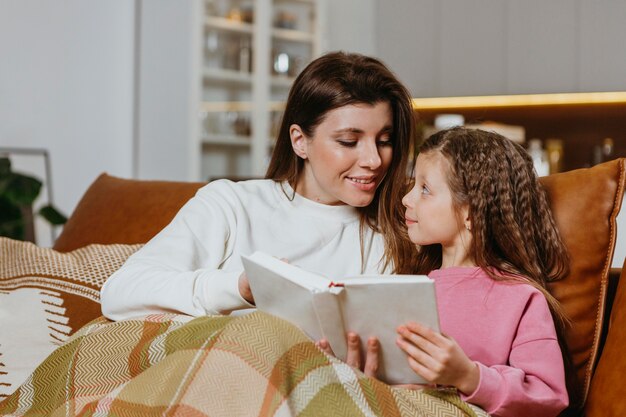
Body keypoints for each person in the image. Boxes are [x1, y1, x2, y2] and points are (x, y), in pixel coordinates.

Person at [100, 51, 417, 321]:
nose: (374, 160)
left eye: (385, 141)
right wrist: (240, 288)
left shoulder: (394, 234)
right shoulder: (231, 205)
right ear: (299, 141)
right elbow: (121, 293)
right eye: (349, 141)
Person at [395, 127, 570, 417]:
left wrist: (468, 376)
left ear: (470, 212)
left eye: (424, 189)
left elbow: (548, 395)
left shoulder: (519, 297)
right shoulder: (406, 285)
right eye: (413, 185)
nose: (407, 199)